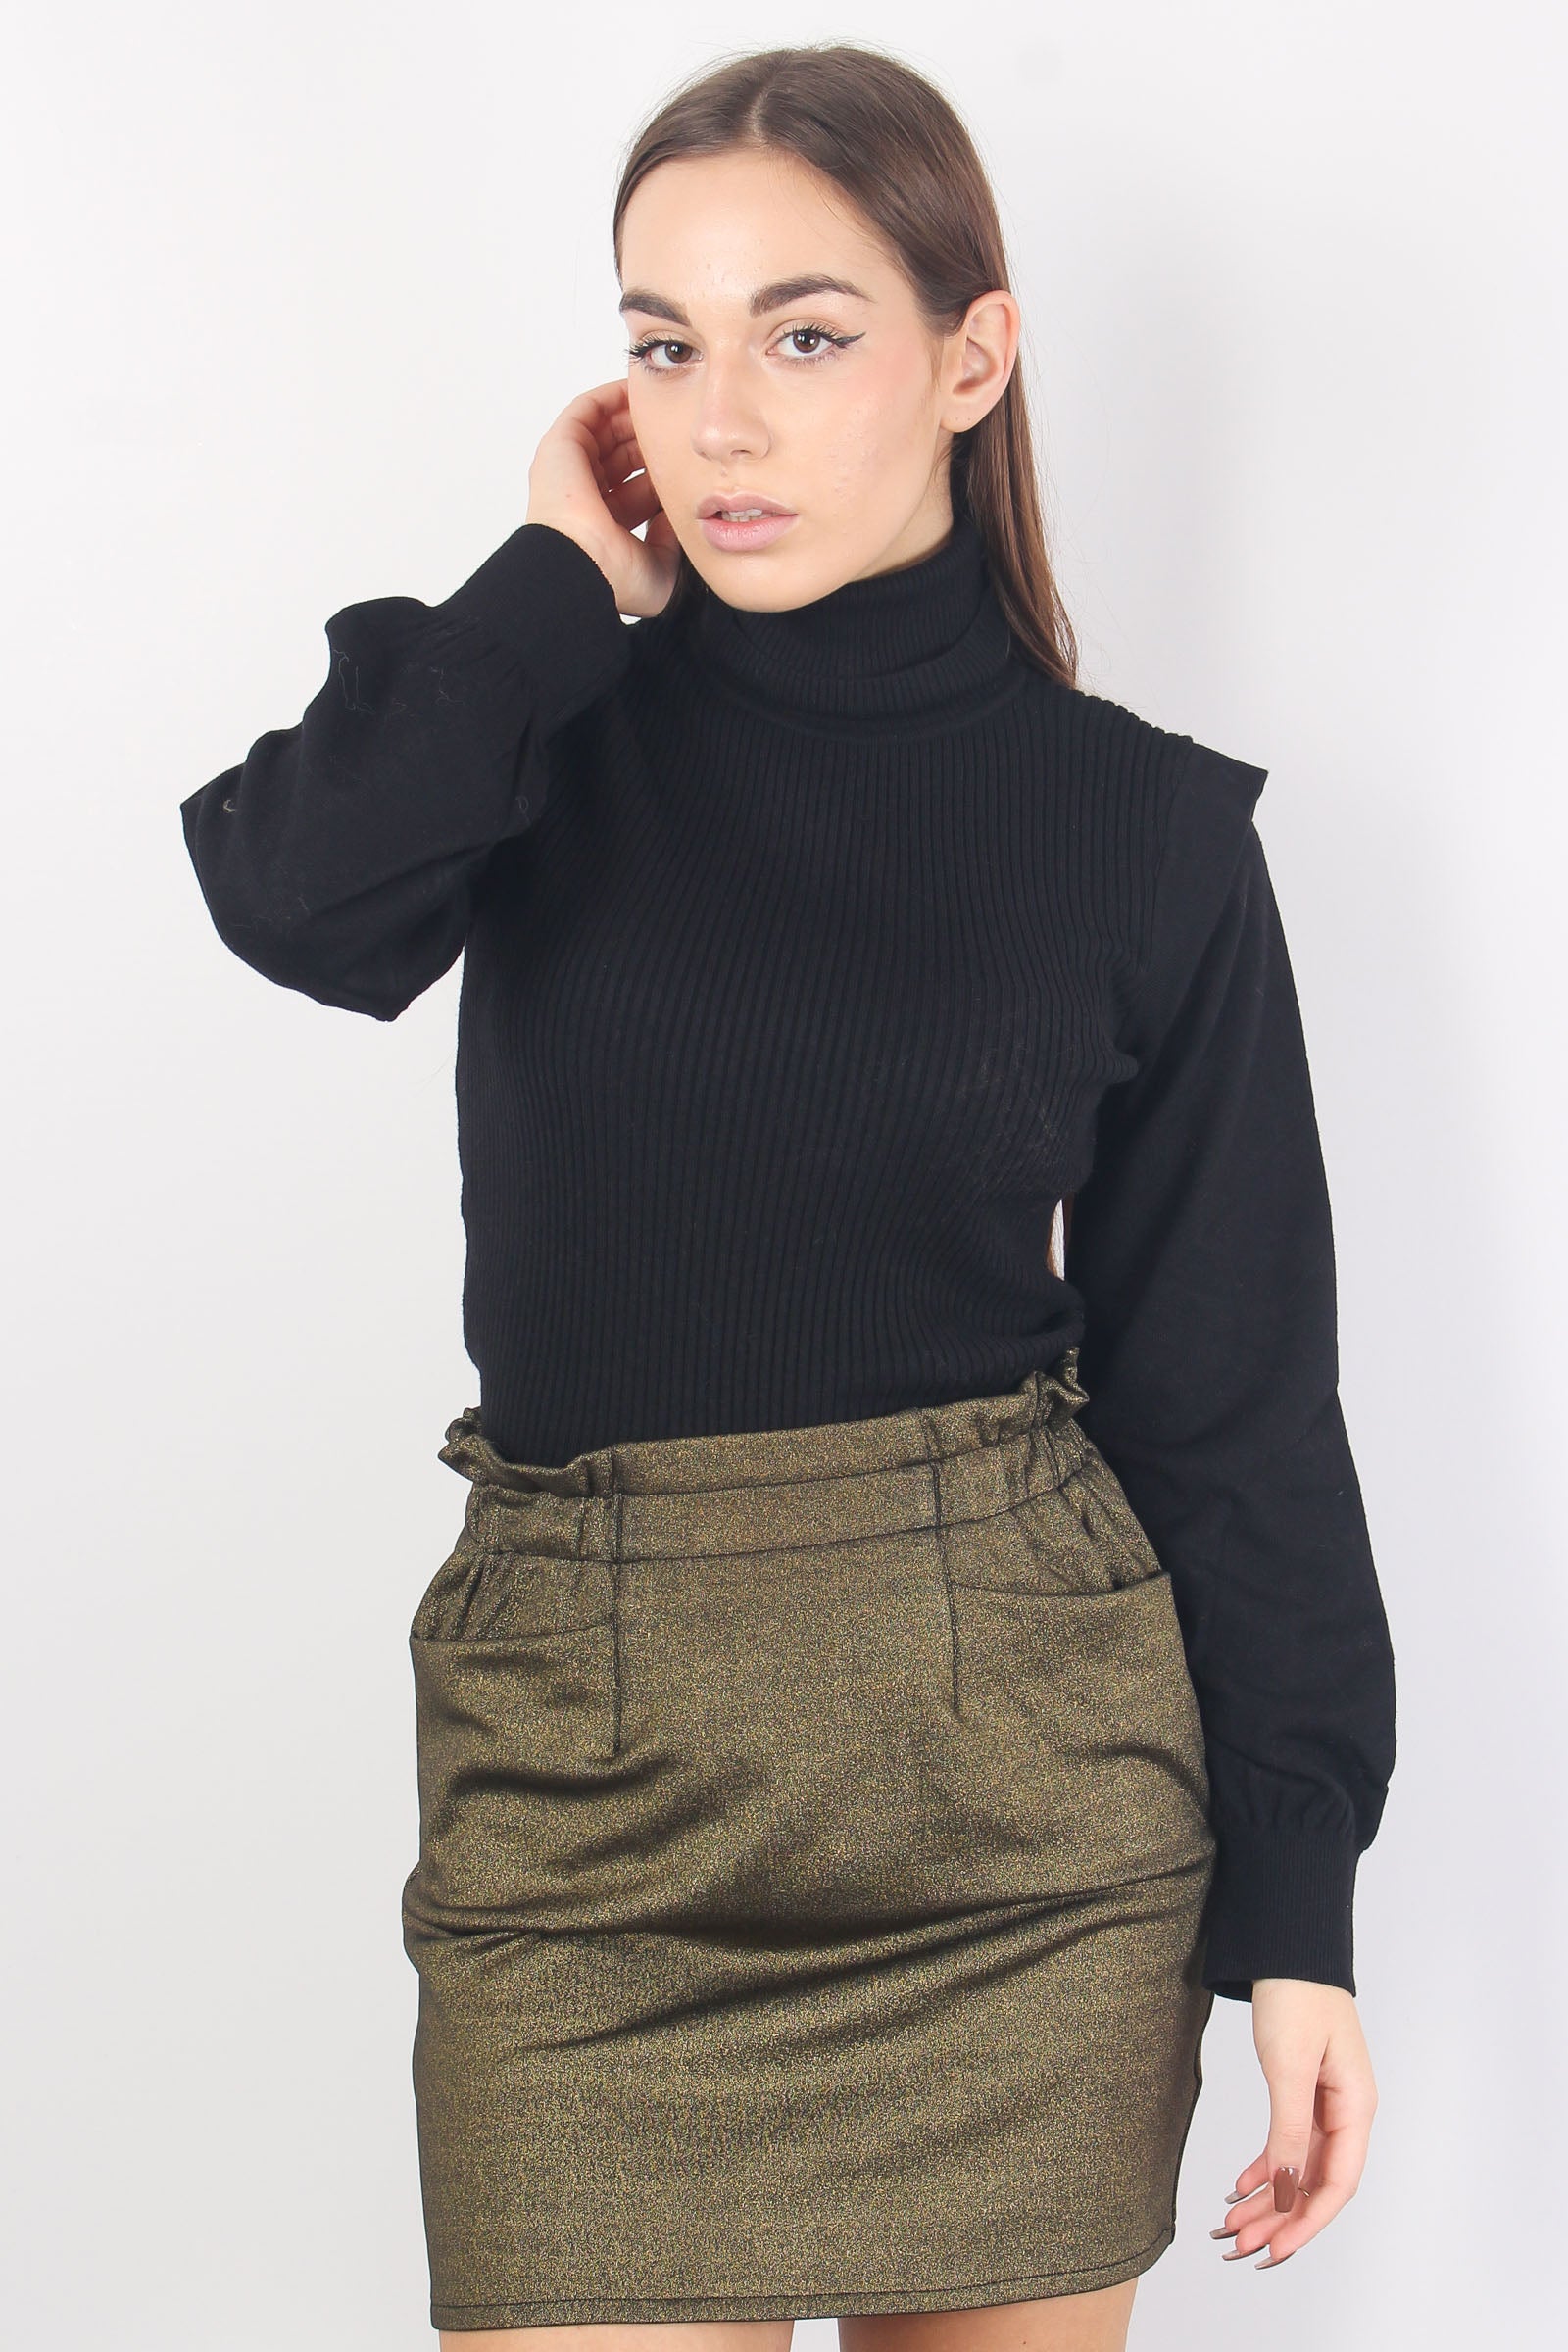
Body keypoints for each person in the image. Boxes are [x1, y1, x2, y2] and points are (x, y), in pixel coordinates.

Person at [178, 42, 1396, 2352]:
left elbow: (1229, 1398)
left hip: (1026, 1826)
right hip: (587, 1814)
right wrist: (554, 583)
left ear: (971, 355)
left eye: (802, 335)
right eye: (662, 345)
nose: (717, 419)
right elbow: (294, 899)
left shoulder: (1140, 837)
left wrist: (1297, 1910)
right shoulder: (526, 734)